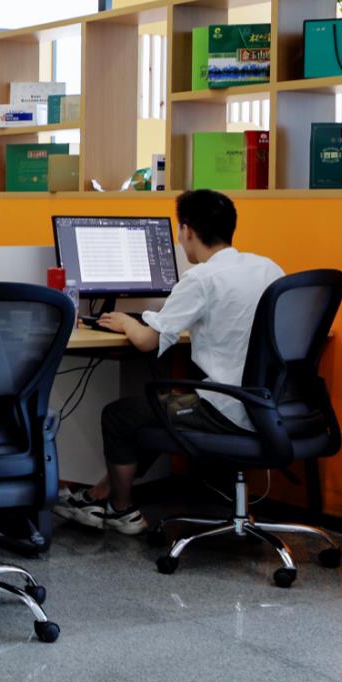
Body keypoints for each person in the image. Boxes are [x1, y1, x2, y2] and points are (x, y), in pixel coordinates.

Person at [53, 189, 284, 534]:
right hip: (268, 402)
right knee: (156, 409)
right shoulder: (267, 267)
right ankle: (99, 493)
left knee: (121, 415)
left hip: (225, 407)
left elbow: (147, 341)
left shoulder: (202, 278)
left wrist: (127, 322)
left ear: (187, 230)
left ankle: (121, 510)